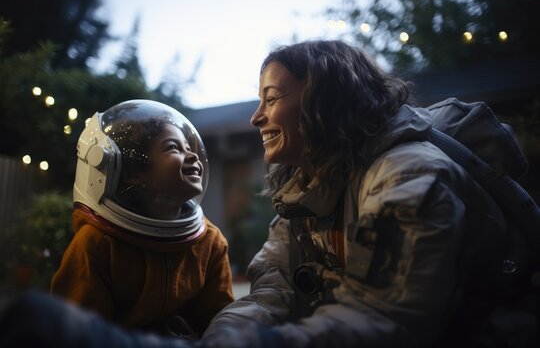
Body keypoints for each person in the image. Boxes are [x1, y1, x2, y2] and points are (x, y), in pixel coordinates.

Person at [0, 40, 536, 347]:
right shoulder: (307, 189)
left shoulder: (407, 175)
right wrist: (225, 340)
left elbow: (386, 318)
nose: (256, 116)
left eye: (272, 98)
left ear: (327, 99)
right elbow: (273, 292)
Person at [50, 99, 234, 337]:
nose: (192, 155)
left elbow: (221, 321)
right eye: (174, 148)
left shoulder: (210, 242)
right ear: (133, 174)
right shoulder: (97, 245)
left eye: (190, 147)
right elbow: (78, 335)